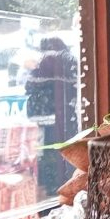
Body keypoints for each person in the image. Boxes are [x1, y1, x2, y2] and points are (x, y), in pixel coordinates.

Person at [25, 36, 78, 198]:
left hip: (47, 121)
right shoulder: (68, 61)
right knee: (67, 153)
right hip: (65, 118)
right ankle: (65, 187)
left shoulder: (44, 63)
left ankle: (52, 188)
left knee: (48, 154)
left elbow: (30, 86)